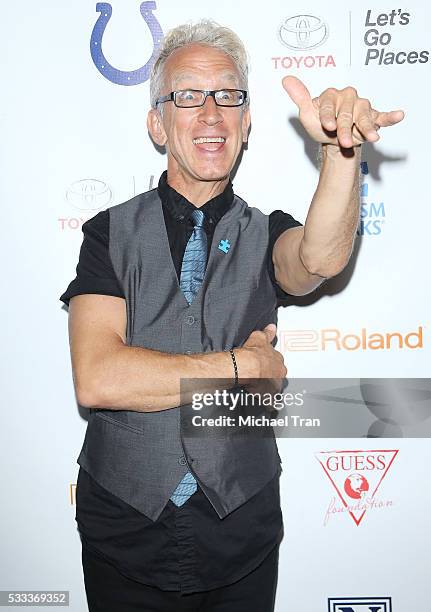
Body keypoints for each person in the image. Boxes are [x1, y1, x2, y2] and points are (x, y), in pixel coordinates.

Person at [59, 19, 404, 612]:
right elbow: (99, 376)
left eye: (229, 96)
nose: (211, 112)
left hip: (240, 531)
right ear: (157, 122)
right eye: (188, 95)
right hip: (124, 529)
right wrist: (241, 366)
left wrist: (340, 150)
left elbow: (319, 255)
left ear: (246, 124)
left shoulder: (266, 232)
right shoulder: (108, 234)